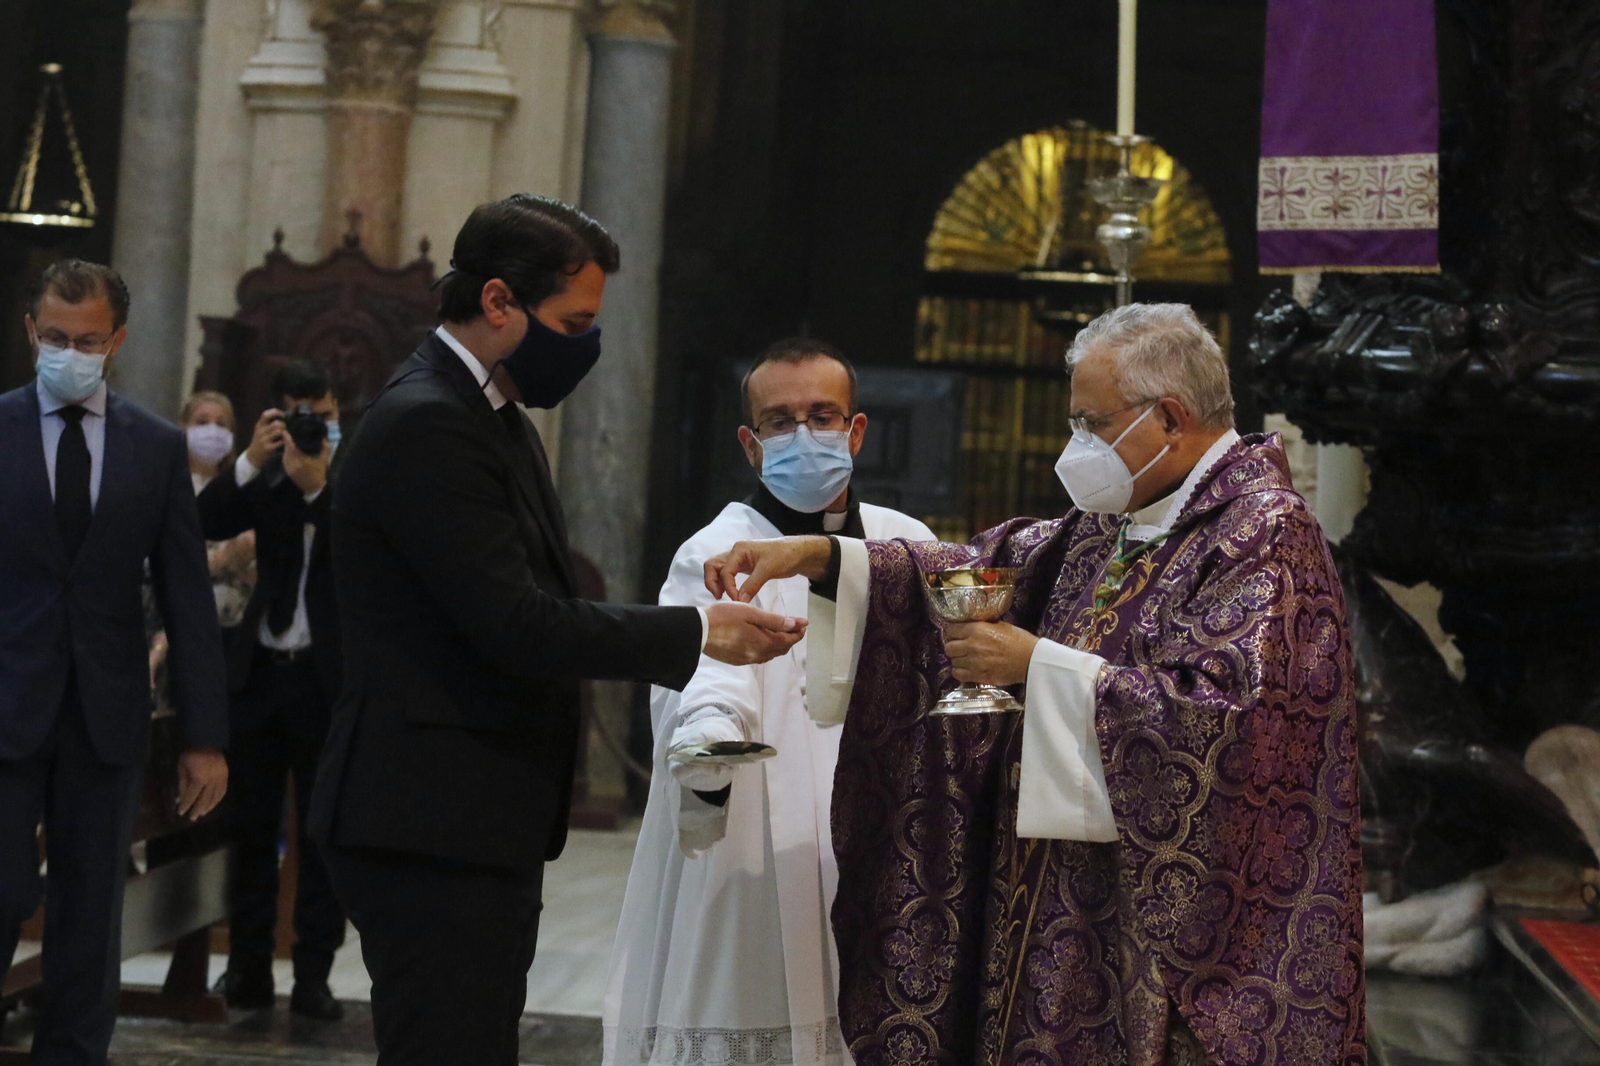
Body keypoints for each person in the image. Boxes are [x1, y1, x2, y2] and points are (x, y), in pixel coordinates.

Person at [706, 304, 1365, 1066]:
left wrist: (1035, 667)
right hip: (1061, 901)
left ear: (1171, 417)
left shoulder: (1262, 531)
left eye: (1091, 423)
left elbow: (1232, 724)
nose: (1077, 445)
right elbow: (980, 569)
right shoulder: (1120, 519)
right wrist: (822, 556)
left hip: (1168, 931)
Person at [308, 194, 809, 1064]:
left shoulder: (490, 413)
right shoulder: (428, 419)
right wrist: (696, 634)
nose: (586, 344)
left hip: (469, 814)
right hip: (429, 813)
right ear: (500, 302)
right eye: (574, 321)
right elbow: (515, 623)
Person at [604, 338, 935, 1066]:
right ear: (752, 445)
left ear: (856, 432)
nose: (803, 435)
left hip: (881, 840)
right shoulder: (718, 550)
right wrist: (712, 734)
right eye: (781, 422)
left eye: (823, 415)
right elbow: (706, 667)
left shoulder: (905, 543)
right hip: (757, 838)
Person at [0, 259, 229, 1063]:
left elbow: (187, 598)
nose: (70, 351)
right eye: (55, 337)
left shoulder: (155, 448)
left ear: (116, 341)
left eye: (87, 340)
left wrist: (204, 735)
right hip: (5, 706)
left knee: (91, 912)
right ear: (32, 332)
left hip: (106, 713)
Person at [196, 361, 347, 1019]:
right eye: (296, 414)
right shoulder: (265, 471)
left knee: (323, 837)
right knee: (249, 831)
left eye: (322, 412)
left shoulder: (355, 473)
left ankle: (312, 977)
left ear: (339, 411)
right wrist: (252, 462)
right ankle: (248, 969)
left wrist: (319, 490)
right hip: (258, 677)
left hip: (326, 680)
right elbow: (204, 519)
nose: (310, 425)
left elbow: (373, 552)